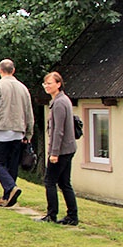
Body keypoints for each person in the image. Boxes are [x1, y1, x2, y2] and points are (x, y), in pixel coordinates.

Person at [0, 59, 35, 207]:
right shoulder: (23, 88)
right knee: (12, 164)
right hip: (18, 131)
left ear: (0, 70)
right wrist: (29, 133)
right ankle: (7, 197)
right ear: (13, 70)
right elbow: (29, 112)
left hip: (1, 130)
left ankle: (11, 188)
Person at [40, 72, 78, 225]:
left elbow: (59, 130)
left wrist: (54, 153)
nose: (47, 86)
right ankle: (72, 216)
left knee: (50, 181)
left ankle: (51, 215)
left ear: (58, 84)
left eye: (50, 83)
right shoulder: (60, 100)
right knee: (64, 183)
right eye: (45, 84)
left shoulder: (60, 103)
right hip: (67, 148)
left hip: (62, 150)